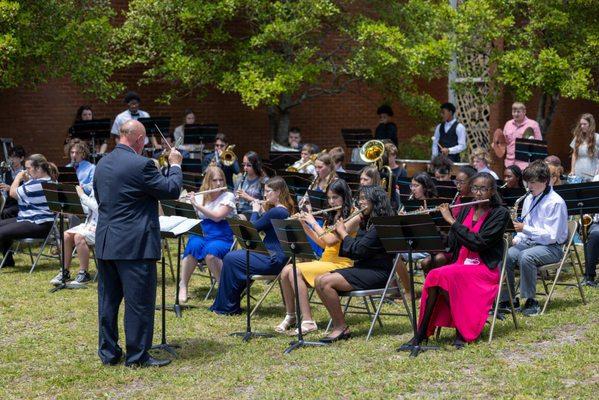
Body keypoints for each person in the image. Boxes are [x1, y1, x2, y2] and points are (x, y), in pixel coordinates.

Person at [94, 119, 182, 368]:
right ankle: (137, 356)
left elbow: (102, 198)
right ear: (140, 139)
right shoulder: (142, 164)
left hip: (106, 242)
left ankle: (109, 353)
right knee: (139, 303)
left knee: (108, 302)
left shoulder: (102, 163)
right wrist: (174, 165)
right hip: (134, 245)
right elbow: (171, 189)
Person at [405, 172, 510, 348]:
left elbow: (479, 243)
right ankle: (421, 333)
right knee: (434, 275)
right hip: (460, 264)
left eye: (483, 189)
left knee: (444, 275)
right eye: (475, 188)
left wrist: (452, 221)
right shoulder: (467, 210)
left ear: (492, 191)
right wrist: (428, 224)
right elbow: (451, 242)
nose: (478, 193)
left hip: (484, 269)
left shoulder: (500, 214)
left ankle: (463, 330)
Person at [275, 180, 359, 335]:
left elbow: (331, 240)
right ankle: (291, 315)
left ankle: (307, 321)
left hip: (342, 264)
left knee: (294, 270)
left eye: (335, 198)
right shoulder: (334, 215)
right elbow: (323, 243)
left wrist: (313, 222)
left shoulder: (354, 215)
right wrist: (304, 226)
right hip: (326, 260)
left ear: (345, 197)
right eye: (329, 198)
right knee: (286, 271)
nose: (332, 202)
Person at [314, 185, 395, 342]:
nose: (361, 202)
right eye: (360, 198)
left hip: (377, 273)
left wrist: (343, 232)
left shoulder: (380, 224)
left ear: (375, 201)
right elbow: (355, 250)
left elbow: (359, 250)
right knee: (318, 279)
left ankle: (340, 328)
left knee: (325, 282)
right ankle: (339, 325)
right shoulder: (367, 221)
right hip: (362, 269)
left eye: (365, 199)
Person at [210, 176, 293, 315]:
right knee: (233, 258)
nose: (265, 194)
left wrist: (255, 210)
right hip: (271, 255)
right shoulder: (280, 210)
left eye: (268, 191)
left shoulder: (278, 211)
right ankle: (228, 304)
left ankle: (227, 306)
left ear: (278, 192)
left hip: (273, 259)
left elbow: (252, 228)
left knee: (231, 258)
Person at [499, 160, 568, 317]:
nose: (528, 186)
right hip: (531, 243)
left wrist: (525, 229)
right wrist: (518, 238)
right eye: (527, 182)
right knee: (507, 254)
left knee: (526, 256)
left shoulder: (556, 202)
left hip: (552, 248)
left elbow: (552, 236)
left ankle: (530, 300)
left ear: (544, 181)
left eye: (532, 182)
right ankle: (508, 299)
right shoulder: (530, 198)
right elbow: (526, 224)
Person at [179, 166, 237, 303]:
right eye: (215, 180)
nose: (218, 184)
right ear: (208, 181)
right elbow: (188, 215)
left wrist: (196, 205)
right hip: (202, 232)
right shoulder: (201, 196)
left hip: (221, 234)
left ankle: (224, 289)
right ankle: (183, 285)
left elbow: (217, 217)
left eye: (221, 180)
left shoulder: (228, 196)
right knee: (193, 245)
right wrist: (186, 201)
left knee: (211, 254)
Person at [0, 154, 58, 268]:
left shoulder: (38, 184)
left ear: (38, 168)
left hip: (39, 224)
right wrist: (27, 179)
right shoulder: (47, 181)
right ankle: (7, 261)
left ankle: (7, 261)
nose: (25, 171)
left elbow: (12, 193)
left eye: (28, 168)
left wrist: (18, 177)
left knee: (1, 232)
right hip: (30, 219)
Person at [420, 165, 477, 274]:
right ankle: (434, 290)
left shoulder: (474, 202)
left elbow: (463, 226)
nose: (458, 186)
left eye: (461, 182)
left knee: (438, 259)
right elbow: (445, 224)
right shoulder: (458, 198)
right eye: (457, 182)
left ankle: (444, 289)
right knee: (425, 263)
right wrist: (429, 216)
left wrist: (448, 218)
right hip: (449, 241)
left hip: (462, 244)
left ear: (471, 182)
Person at [50, 185, 98, 286]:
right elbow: (88, 209)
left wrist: (82, 195)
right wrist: (69, 207)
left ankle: (84, 273)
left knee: (78, 236)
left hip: (103, 226)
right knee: (66, 235)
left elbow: (99, 209)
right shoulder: (95, 185)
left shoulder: (109, 186)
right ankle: (64, 271)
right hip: (89, 224)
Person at [500, 102, 542, 170]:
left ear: (524, 112)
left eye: (518, 112)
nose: (516, 114)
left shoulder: (533, 124)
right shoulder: (508, 124)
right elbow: (505, 142)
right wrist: (497, 144)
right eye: (514, 112)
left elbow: (539, 145)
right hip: (509, 162)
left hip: (525, 163)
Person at [235, 151, 268, 217]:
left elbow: (267, 203)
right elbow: (235, 194)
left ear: (256, 165)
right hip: (239, 211)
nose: (245, 168)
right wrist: (235, 198)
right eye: (244, 165)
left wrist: (248, 197)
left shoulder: (264, 181)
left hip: (254, 212)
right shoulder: (240, 178)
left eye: (249, 165)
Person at [569, 114, 598, 182]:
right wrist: (572, 170)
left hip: (592, 171)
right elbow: (574, 154)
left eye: (585, 124)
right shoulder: (578, 138)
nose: (582, 126)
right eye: (581, 124)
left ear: (590, 124)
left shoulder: (597, 137)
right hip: (578, 170)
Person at [0, 145, 26, 219]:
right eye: (10, 157)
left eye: (14, 157)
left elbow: (26, 194)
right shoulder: (6, 171)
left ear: (21, 158)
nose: (11, 159)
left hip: (20, 203)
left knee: (6, 212)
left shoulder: (25, 173)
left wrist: (10, 188)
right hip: (7, 202)